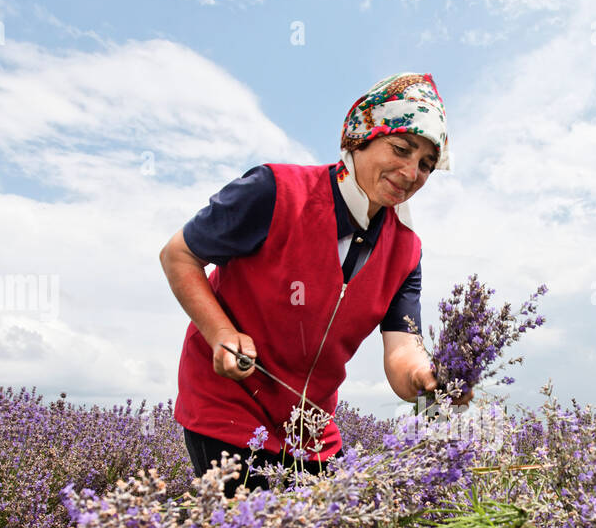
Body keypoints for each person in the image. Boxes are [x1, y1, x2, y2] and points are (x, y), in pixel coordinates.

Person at [160, 72, 466, 494]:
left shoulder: (406, 251)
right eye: (400, 149)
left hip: (310, 425)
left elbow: (403, 351)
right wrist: (222, 333)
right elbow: (179, 255)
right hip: (228, 406)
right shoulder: (275, 191)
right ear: (360, 137)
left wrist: (428, 382)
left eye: (427, 165)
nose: (411, 172)